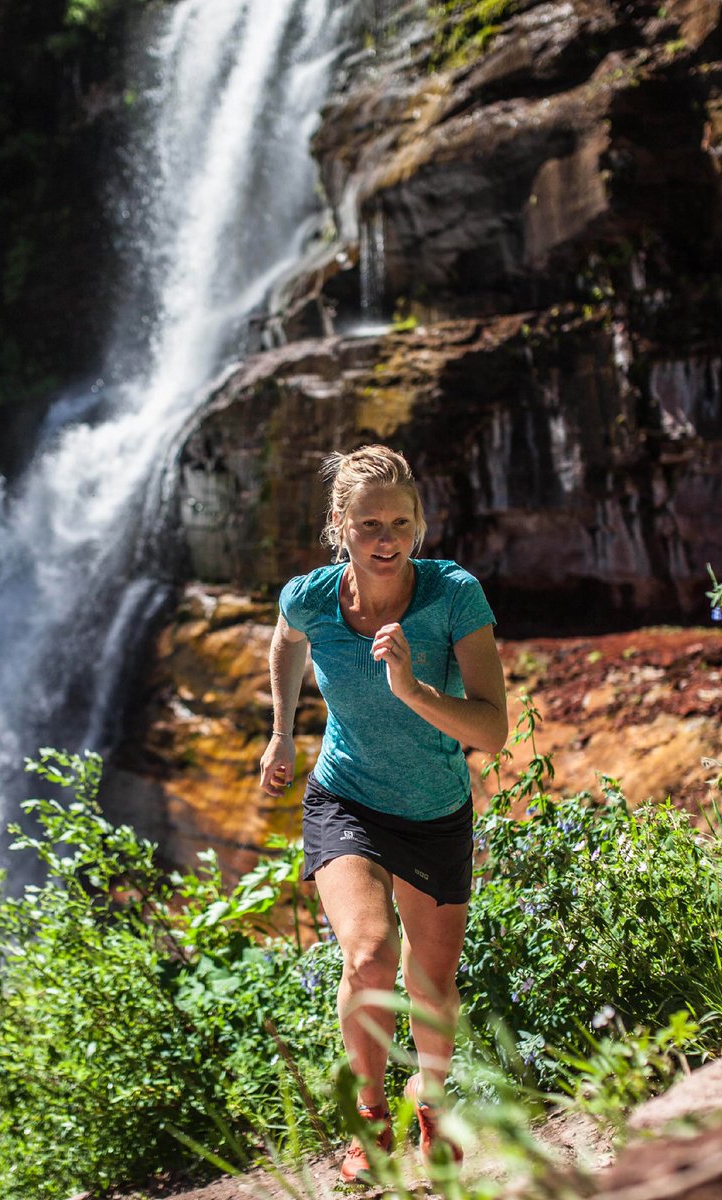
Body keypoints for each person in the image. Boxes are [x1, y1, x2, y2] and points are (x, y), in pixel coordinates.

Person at [258, 444, 507, 1183]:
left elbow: (492, 730)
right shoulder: (310, 597)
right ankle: (368, 1124)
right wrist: (281, 730)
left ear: (421, 524)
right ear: (340, 525)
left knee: (432, 980)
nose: (386, 538)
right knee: (367, 955)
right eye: (368, 523)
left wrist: (413, 689)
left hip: (434, 808)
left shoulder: (454, 595)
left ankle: (429, 1107)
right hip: (345, 797)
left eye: (400, 521)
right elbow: (286, 641)